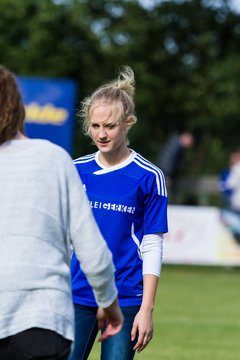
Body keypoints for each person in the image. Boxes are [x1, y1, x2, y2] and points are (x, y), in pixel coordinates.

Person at [0, 65, 123, 360]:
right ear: (18, 107)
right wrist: (109, 303)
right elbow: (91, 248)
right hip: (40, 322)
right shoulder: (53, 159)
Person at [70, 66, 168, 360]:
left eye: (110, 126)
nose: (101, 134)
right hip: (77, 295)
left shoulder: (149, 176)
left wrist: (146, 309)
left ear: (128, 123)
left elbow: (152, 244)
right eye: (95, 126)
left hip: (125, 297)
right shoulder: (74, 170)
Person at [156, 132, 194, 203]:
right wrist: (167, 174)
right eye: (189, 142)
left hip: (169, 173)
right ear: (185, 138)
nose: (189, 146)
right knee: (165, 190)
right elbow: (166, 160)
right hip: (166, 172)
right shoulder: (175, 145)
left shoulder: (178, 145)